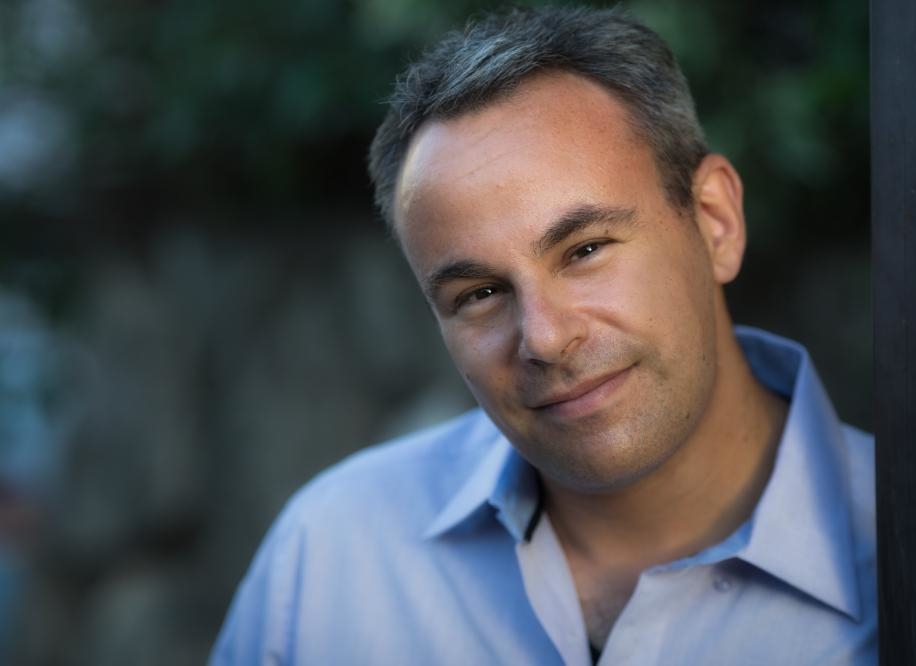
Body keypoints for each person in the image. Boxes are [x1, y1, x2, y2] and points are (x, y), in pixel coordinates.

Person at [211, 6, 876, 664]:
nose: (546, 338)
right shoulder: (330, 561)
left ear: (715, 222)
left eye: (585, 250)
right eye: (479, 294)